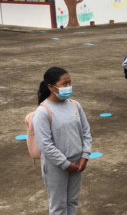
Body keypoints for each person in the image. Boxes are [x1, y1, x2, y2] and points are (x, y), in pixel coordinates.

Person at [33, 67, 92, 215]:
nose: (68, 87)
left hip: (77, 163)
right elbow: (45, 145)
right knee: (58, 206)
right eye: (64, 84)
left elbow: (86, 131)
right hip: (56, 167)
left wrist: (84, 156)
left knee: (72, 201)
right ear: (51, 87)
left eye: (69, 83)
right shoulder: (43, 112)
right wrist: (65, 164)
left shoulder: (75, 105)